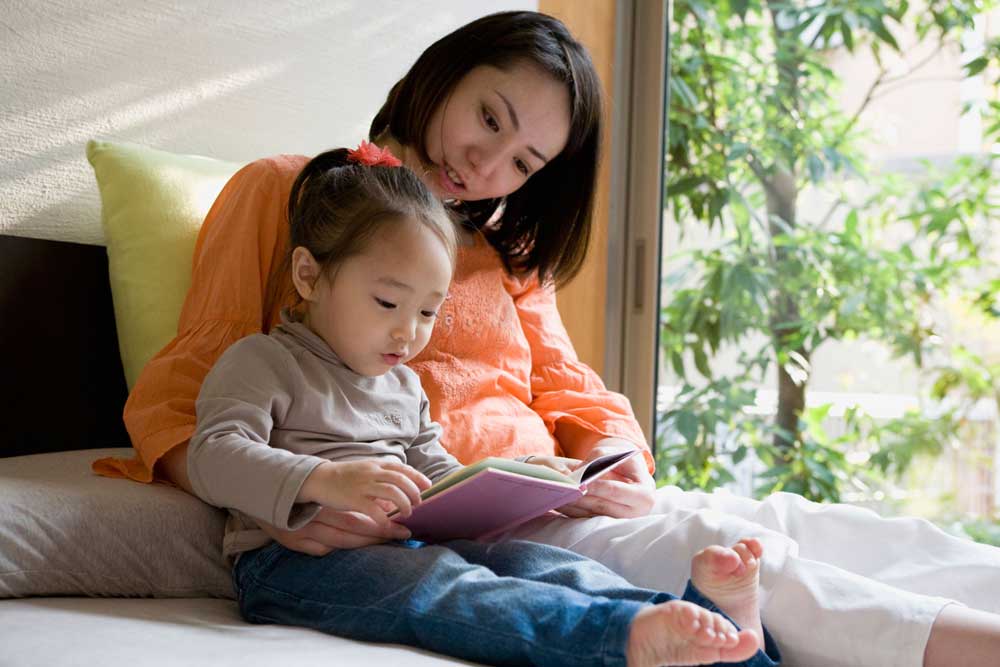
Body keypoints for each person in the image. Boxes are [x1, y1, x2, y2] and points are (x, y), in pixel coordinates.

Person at [94, 10, 1000, 667]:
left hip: (550, 499)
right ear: (444, 73)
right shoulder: (288, 192)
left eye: (525, 161)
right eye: (489, 118)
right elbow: (183, 395)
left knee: (803, 520)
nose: (489, 166)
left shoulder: (506, 254)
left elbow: (570, 385)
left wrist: (611, 454)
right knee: (761, 556)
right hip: (449, 529)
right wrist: (302, 493)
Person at [187, 143, 781, 667]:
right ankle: (622, 637)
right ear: (309, 275)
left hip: (410, 541)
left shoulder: (403, 387)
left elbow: (437, 472)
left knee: (533, 563)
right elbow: (212, 455)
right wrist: (325, 480)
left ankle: (715, 630)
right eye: (387, 303)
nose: (408, 335)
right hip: (291, 567)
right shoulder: (263, 361)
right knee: (446, 589)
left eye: (427, 313)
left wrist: (519, 477)